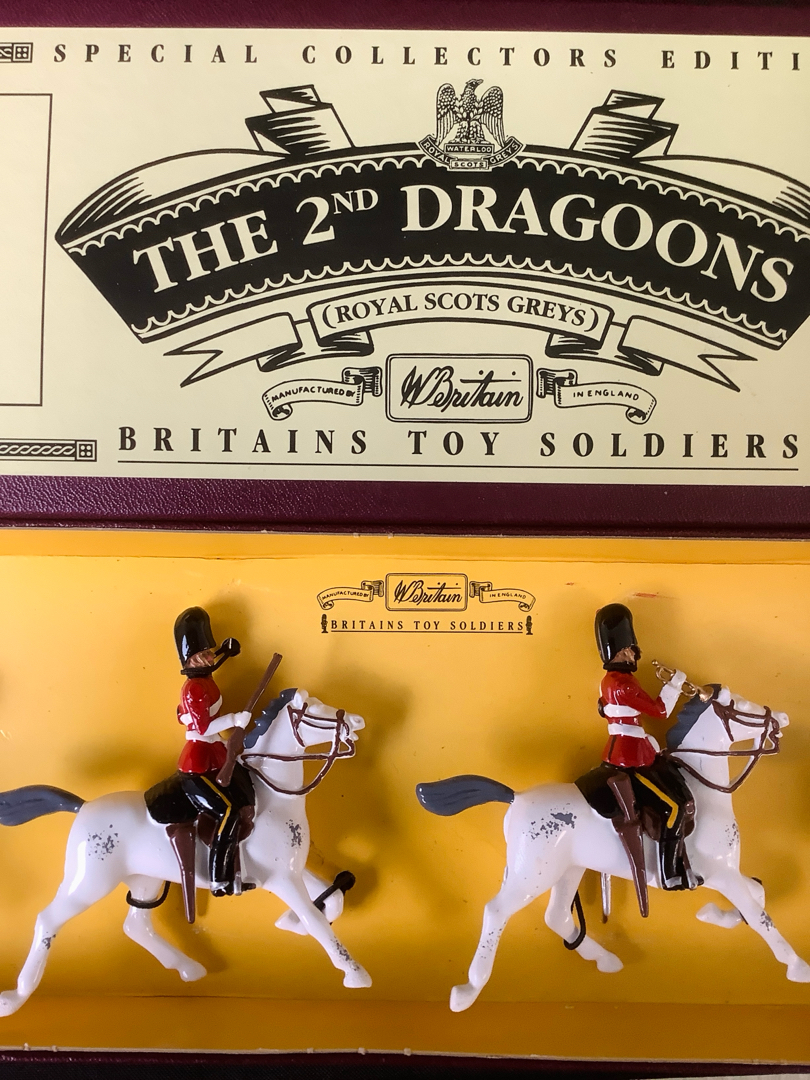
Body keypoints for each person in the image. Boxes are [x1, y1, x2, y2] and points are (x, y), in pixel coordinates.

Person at [577, 604, 698, 904]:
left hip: (635, 748)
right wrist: (675, 683)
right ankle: (668, 874)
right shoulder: (624, 684)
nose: (634, 654)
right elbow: (660, 710)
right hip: (631, 757)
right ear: (620, 651)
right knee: (675, 807)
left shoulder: (609, 682)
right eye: (630, 649)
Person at [173, 606, 254, 896]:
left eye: (210, 652)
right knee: (228, 812)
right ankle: (219, 878)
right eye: (205, 654)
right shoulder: (194, 687)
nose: (211, 657)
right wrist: (235, 719)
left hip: (215, 751)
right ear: (193, 659)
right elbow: (204, 725)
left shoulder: (206, 681)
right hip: (198, 760)